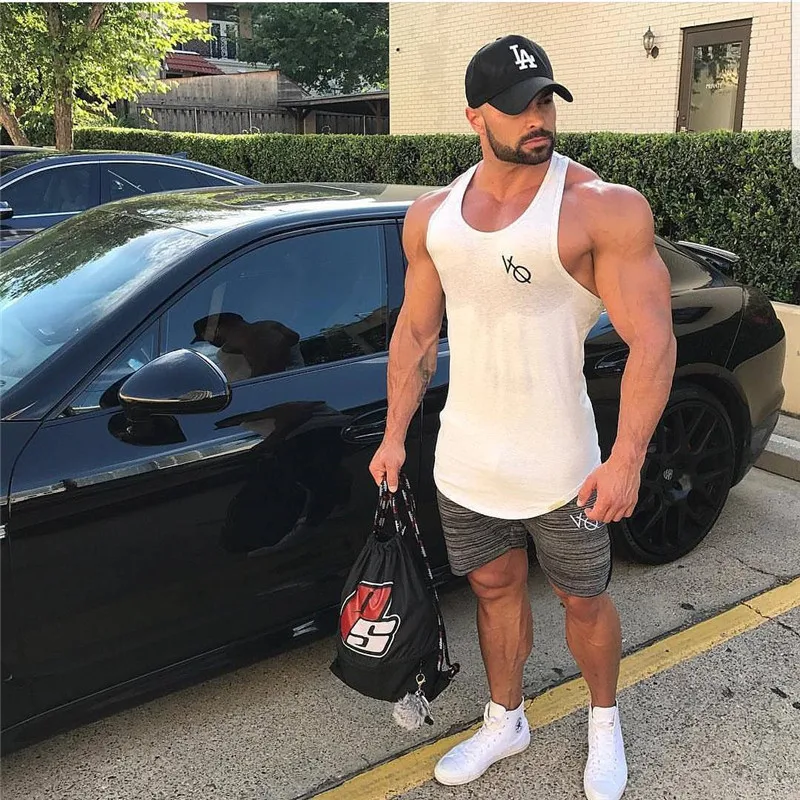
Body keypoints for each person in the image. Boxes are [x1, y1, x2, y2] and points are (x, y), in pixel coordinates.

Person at [369, 34, 676, 800]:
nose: (538, 118)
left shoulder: (599, 208)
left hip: (564, 466)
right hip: (468, 461)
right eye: (517, 106)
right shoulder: (433, 218)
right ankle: (505, 720)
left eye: (545, 100)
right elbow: (415, 335)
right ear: (475, 117)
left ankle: (603, 722)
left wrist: (627, 459)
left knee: (583, 599)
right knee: (494, 589)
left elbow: (653, 341)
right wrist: (394, 436)